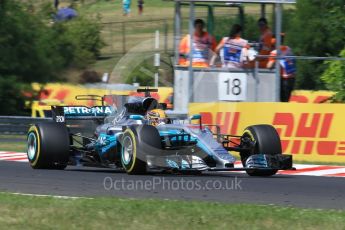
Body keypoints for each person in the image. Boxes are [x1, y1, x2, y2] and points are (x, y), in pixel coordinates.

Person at [267, 33, 297, 102]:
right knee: (286, 100)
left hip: (283, 79)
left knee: (282, 101)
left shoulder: (275, 52)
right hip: (292, 78)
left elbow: (269, 66)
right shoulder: (289, 49)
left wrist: (274, 59)